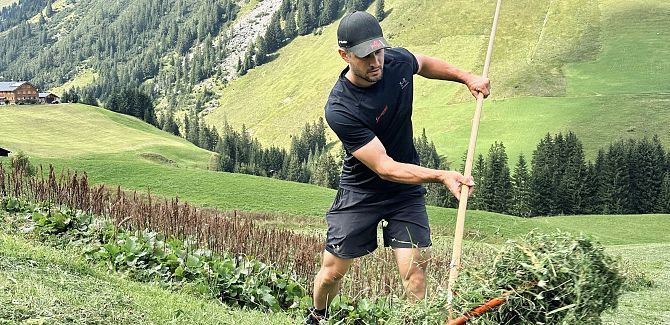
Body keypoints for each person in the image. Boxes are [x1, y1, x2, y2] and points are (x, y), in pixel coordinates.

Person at [306, 11, 491, 323]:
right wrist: (441, 175)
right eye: (365, 57)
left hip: (405, 192)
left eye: (379, 51)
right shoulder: (340, 107)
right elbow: (385, 167)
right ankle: (318, 316)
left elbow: (424, 63)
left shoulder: (394, 61)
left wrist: (467, 78)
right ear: (345, 55)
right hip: (362, 191)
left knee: (415, 274)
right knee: (331, 274)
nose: (376, 62)